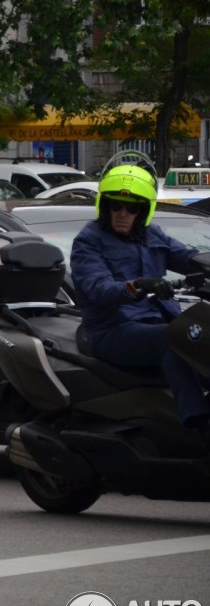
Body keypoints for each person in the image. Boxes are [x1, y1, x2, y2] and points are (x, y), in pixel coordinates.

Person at [71, 164, 210, 440]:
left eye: (131, 208)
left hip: (156, 323)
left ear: (142, 211)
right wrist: (136, 286)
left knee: (204, 336)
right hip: (112, 330)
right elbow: (98, 288)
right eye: (117, 206)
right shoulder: (88, 242)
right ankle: (199, 427)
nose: (123, 214)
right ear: (105, 206)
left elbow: (189, 259)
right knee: (174, 341)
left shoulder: (153, 235)